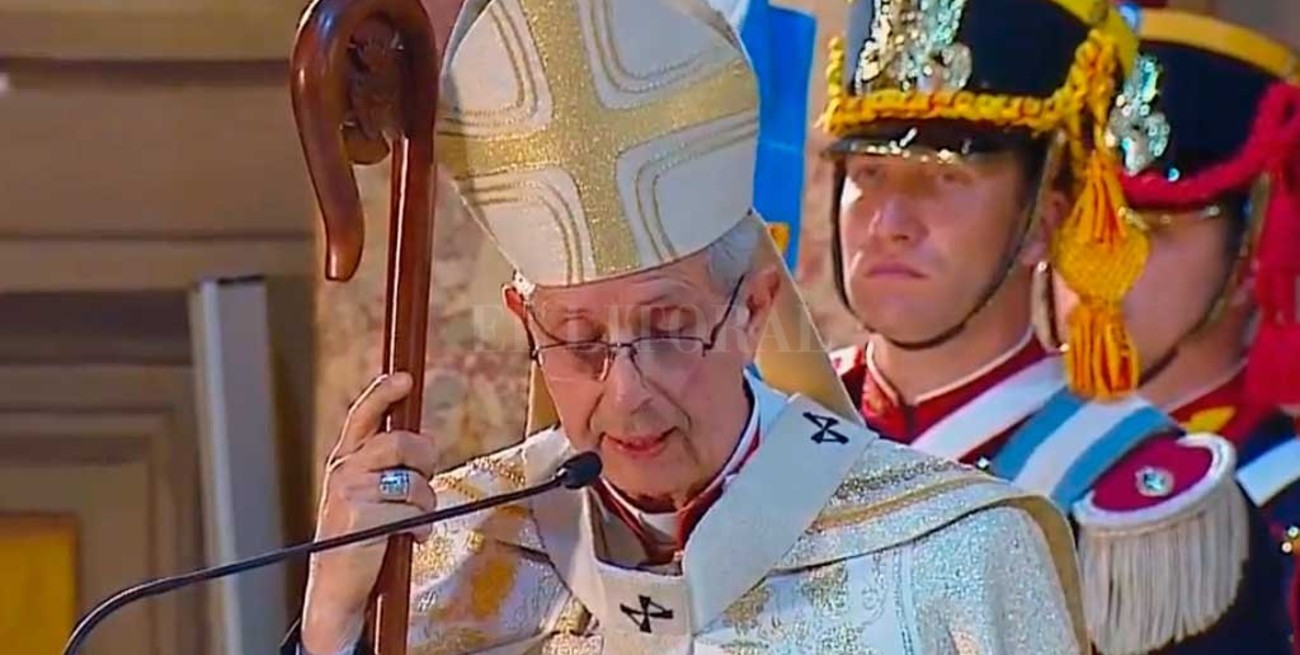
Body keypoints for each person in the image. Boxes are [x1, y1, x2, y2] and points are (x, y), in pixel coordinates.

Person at [282, 0, 1090, 653]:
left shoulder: (959, 554)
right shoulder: (446, 556)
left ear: (753, 309)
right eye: (581, 341)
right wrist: (330, 629)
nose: (628, 395)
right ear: (524, 323)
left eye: (668, 330)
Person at [818, 0, 1287, 652]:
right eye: (869, 172)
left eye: (946, 177)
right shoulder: (758, 427)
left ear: (1043, 220)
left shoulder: (1149, 513)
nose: (891, 219)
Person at [1040, 7, 1300, 647]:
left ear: (1249, 256)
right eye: (1086, 225)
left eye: (1151, 231)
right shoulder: (1012, 450)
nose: (1103, 264)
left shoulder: (1283, 493)